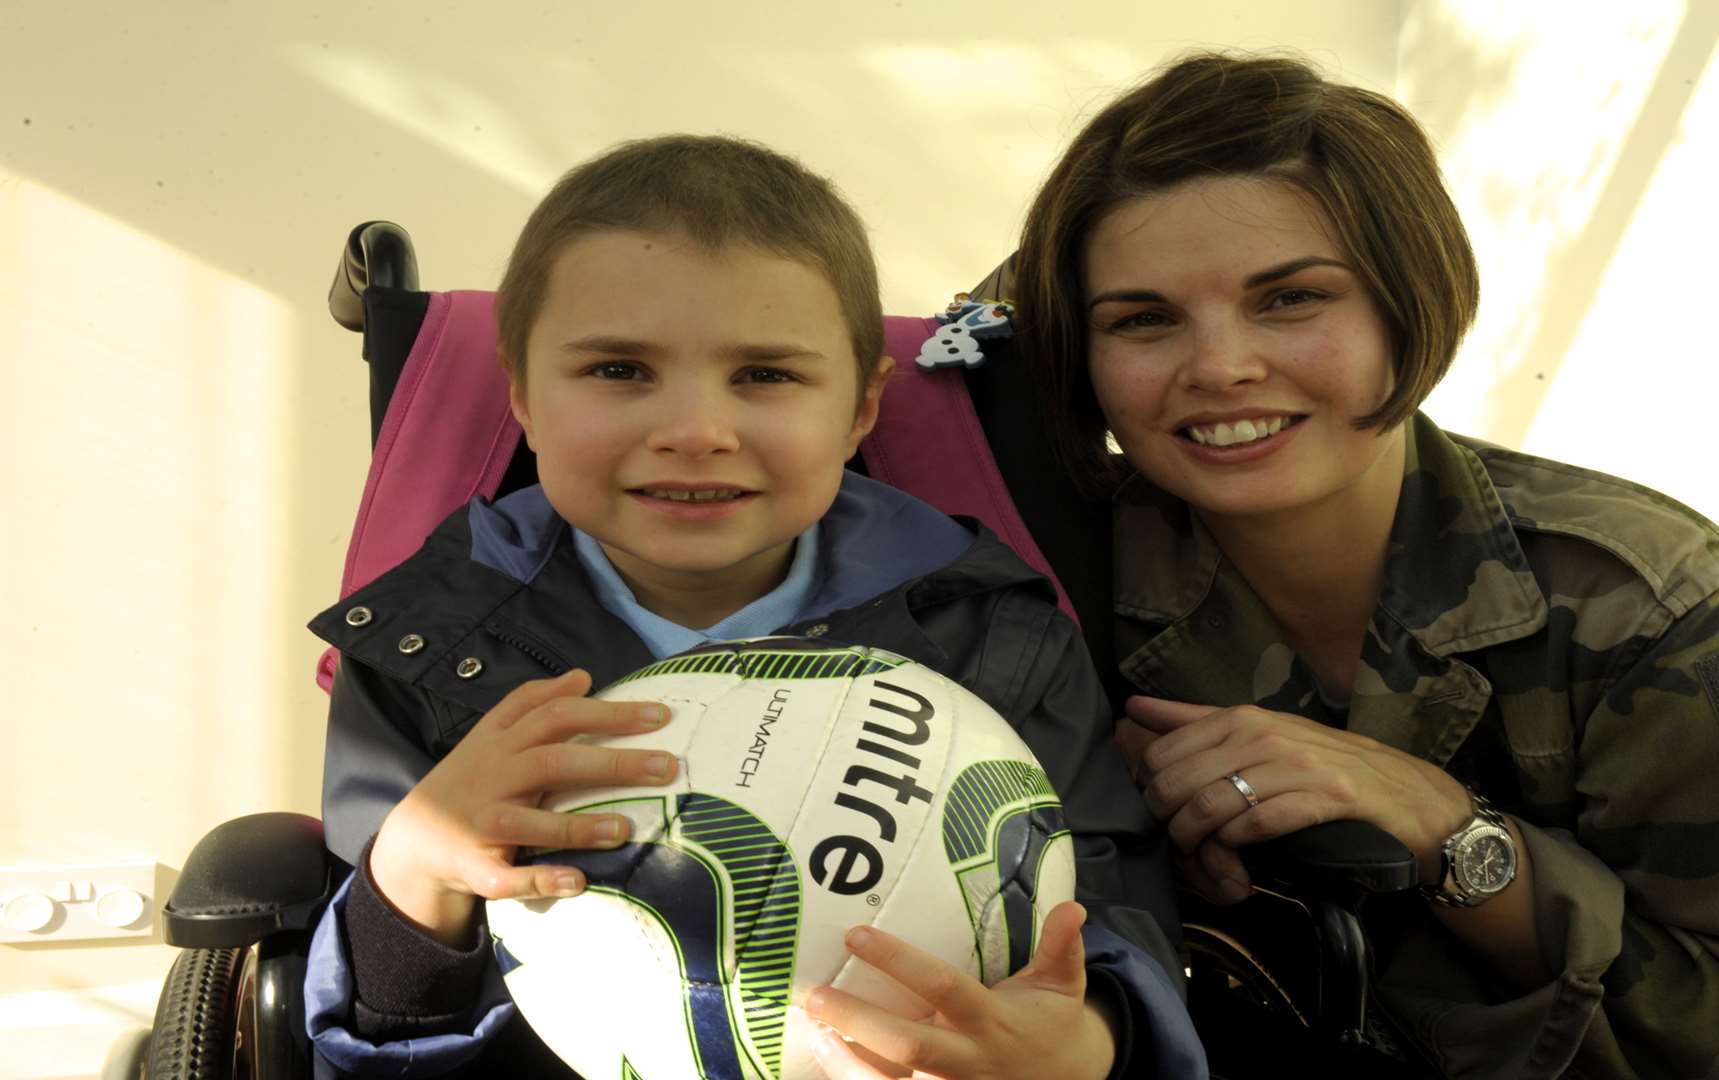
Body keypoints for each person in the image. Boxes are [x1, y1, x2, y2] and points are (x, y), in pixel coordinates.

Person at [1005, 52, 1719, 1078]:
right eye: (1143, 319)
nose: (1219, 367)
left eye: (1293, 299)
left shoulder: (1668, 595)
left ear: (1409, 301)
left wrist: (1447, 827)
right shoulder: (1038, 586)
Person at [302, 134, 1200, 1079]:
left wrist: (1088, 1037)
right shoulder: (423, 647)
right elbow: (377, 1042)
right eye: (618, 371)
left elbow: (1107, 907)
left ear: (860, 409)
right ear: (521, 396)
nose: (696, 433)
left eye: (766, 375)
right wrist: (408, 877)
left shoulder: (991, 632)